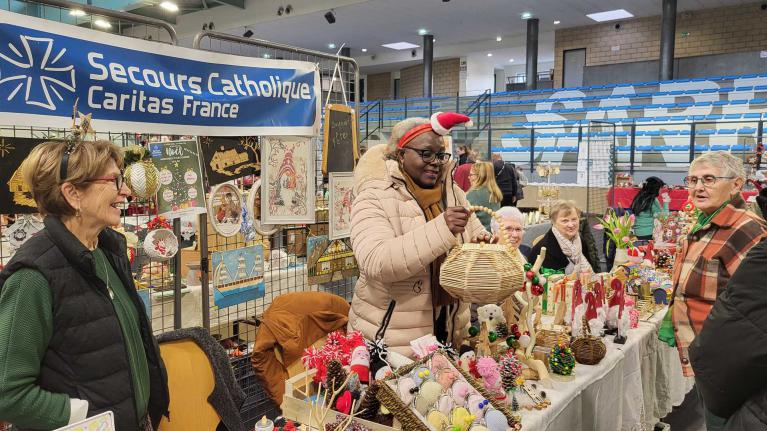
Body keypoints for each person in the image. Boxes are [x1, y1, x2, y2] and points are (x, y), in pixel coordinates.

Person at [0, 139, 169, 431]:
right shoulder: (33, 277)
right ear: (73, 193)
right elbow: (8, 393)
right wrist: (85, 416)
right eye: (114, 181)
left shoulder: (106, 251)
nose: (126, 191)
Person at [348, 112, 489, 358]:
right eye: (426, 153)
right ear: (401, 154)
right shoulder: (373, 196)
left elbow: (474, 234)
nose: (435, 162)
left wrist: (483, 246)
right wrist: (442, 228)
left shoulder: (453, 193)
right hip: (392, 344)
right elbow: (377, 261)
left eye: (440, 155)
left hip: (450, 331)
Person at [663, 151, 767, 430]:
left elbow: (754, 309)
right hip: (709, 361)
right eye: (693, 180)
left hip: (729, 367)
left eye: (709, 179)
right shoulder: (707, 222)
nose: (698, 187)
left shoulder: (747, 230)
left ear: (736, 185)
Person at [526, 200, 599, 274]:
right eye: (565, 221)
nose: (571, 225)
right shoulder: (544, 249)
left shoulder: (580, 241)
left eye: (574, 219)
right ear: (554, 222)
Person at [466, 161, 503, 232]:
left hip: (478, 234)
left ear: (480, 176)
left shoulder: (475, 194)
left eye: (471, 175)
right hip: (493, 232)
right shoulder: (495, 192)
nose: (468, 177)